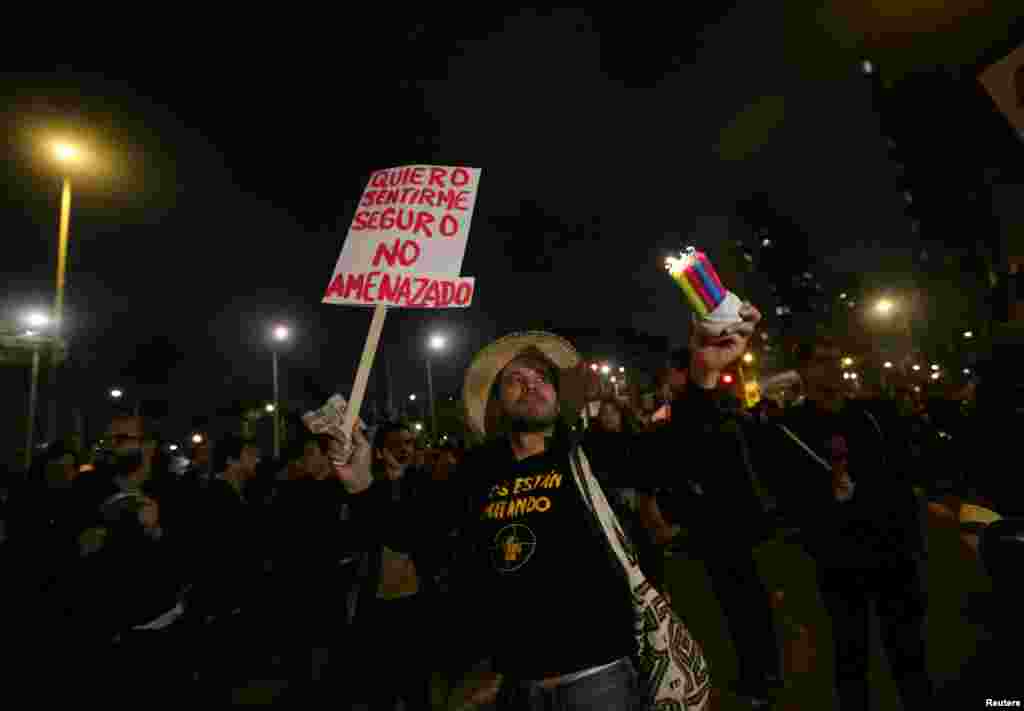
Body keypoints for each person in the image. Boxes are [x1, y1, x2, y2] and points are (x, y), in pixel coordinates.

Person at [754, 335, 934, 709]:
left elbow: (901, 480)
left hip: (892, 557)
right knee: (850, 659)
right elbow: (784, 494)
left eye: (836, 359)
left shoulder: (872, 414)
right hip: (838, 563)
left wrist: (913, 545)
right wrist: (822, 501)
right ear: (802, 371)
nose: (832, 368)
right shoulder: (789, 429)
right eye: (821, 361)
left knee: (908, 655)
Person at [650, 345, 782, 706]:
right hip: (733, 523)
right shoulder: (721, 408)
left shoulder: (695, 414)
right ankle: (761, 673)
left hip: (720, 526)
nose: (665, 384)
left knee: (739, 605)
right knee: (747, 603)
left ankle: (757, 678)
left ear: (682, 374)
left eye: (670, 375)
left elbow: (691, 467)